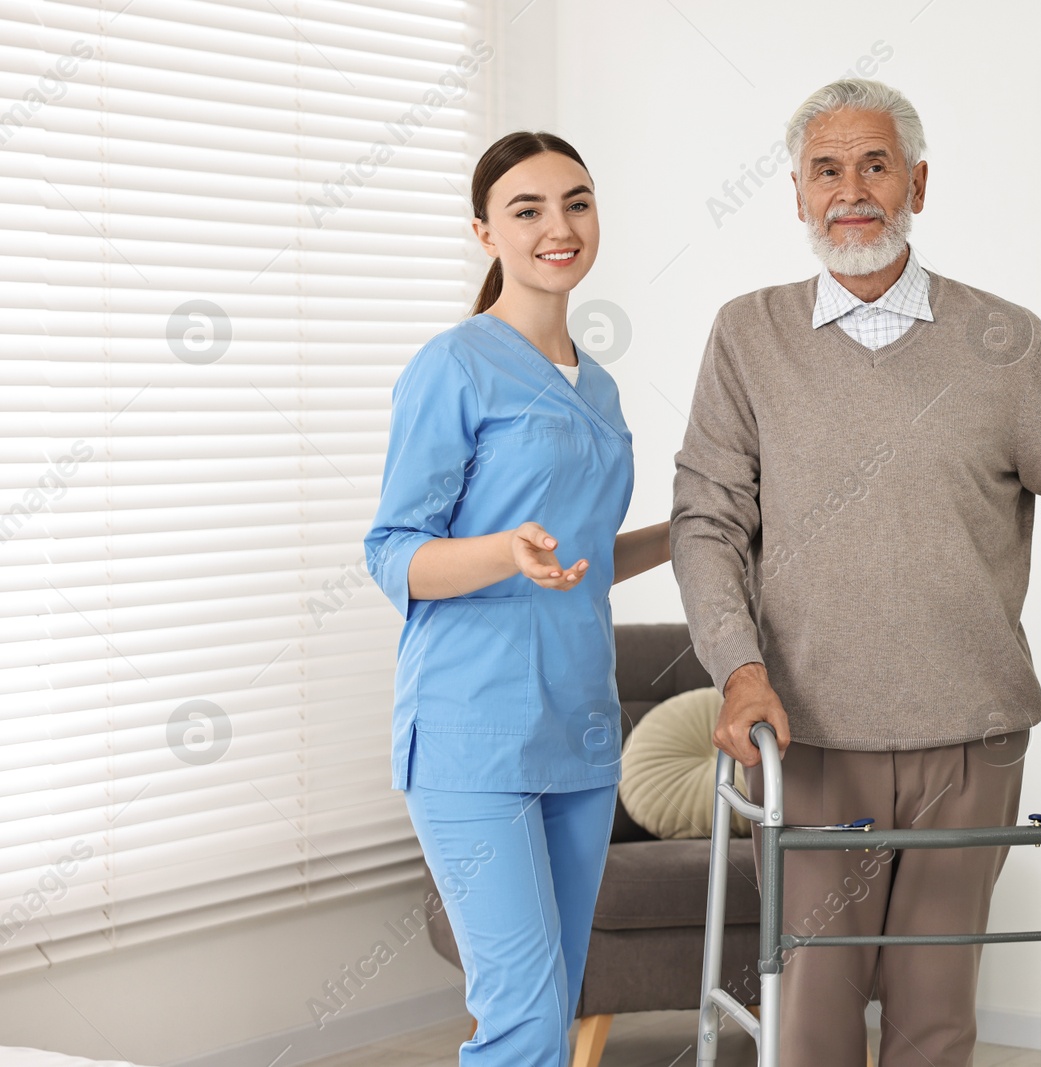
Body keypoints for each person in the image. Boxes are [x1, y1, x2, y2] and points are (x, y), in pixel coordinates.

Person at [669, 79, 1041, 1066]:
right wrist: (736, 665)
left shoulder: (1003, 342)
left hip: (969, 738)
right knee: (811, 1017)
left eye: (875, 164)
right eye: (827, 169)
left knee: (935, 1018)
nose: (853, 190)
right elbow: (707, 519)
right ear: (798, 194)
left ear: (917, 183)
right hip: (803, 738)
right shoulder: (747, 336)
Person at [363, 130, 669, 1067]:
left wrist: (687, 533)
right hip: (470, 733)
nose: (558, 226)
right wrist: (502, 552)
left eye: (576, 202)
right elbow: (394, 556)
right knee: (524, 1021)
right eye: (527, 209)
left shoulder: (603, 386)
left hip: (575, 733)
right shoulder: (453, 366)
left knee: (559, 1002)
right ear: (484, 232)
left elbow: (573, 568)